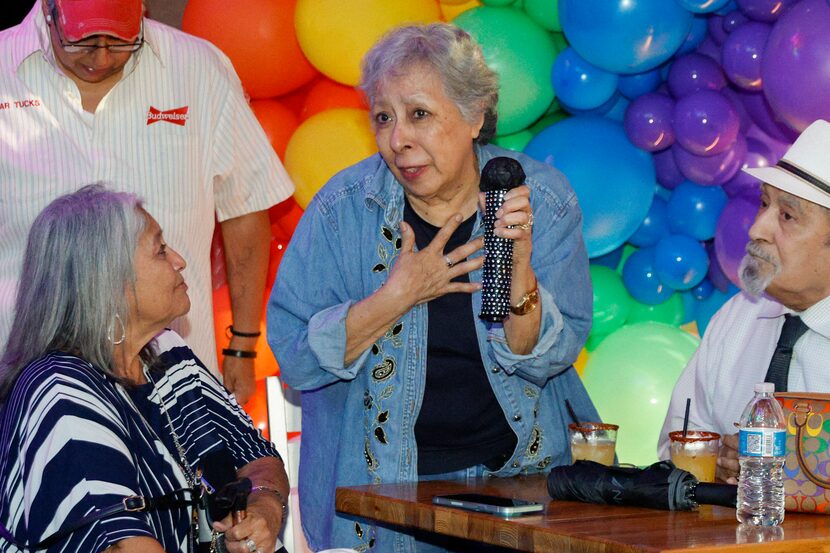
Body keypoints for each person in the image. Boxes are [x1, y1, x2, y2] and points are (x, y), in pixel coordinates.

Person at [267, 23, 598, 552]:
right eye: (384, 118)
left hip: (519, 484)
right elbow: (296, 359)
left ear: (474, 116)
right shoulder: (343, 209)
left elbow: (549, 358)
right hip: (383, 496)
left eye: (419, 114)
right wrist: (395, 297)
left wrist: (519, 276)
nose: (399, 140)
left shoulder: (539, 200)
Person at [0, 0, 295, 405]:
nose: (101, 57)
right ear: (49, 10)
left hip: (175, 379)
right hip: (27, 383)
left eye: (121, 42)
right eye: (82, 41)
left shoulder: (198, 68)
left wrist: (242, 346)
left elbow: (244, 206)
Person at [0, 185, 289, 553]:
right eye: (160, 250)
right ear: (110, 283)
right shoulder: (59, 391)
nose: (180, 260)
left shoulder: (166, 352)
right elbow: (120, 545)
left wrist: (263, 507)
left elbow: (255, 455)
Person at [658, 119, 830, 483]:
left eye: (787, 216)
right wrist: (716, 462)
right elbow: (672, 451)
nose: (756, 229)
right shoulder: (738, 317)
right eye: (763, 204)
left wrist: (806, 472)